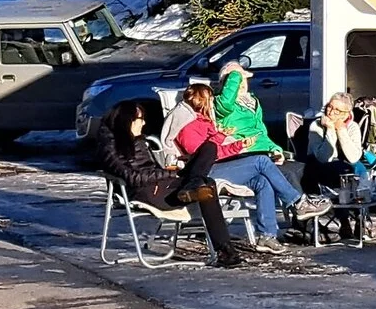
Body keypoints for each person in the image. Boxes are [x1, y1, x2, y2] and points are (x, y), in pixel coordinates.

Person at [176, 84, 330, 253]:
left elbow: (216, 149)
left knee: (263, 181)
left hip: (220, 165)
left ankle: (267, 236)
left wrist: (237, 144)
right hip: (205, 172)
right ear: (200, 101)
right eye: (210, 99)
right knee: (261, 161)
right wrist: (225, 140)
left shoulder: (205, 122)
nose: (212, 103)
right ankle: (298, 202)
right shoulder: (187, 126)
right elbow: (203, 156)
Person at [96, 101, 245, 267]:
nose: (144, 123)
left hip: (163, 185)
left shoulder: (137, 140)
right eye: (140, 119)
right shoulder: (110, 148)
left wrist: (171, 171)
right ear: (126, 120)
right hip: (149, 193)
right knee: (206, 184)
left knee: (209, 148)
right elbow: (133, 178)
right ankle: (225, 250)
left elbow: (149, 169)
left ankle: (192, 186)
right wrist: (170, 172)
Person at [213, 62, 284, 155]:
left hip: (260, 152)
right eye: (237, 80)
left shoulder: (252, 102)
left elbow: (260, 134)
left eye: (243, 79)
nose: (241, 83)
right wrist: (235, 74)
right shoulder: (219, 103)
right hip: (237, 152)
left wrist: (275, 149)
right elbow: (226, 102)